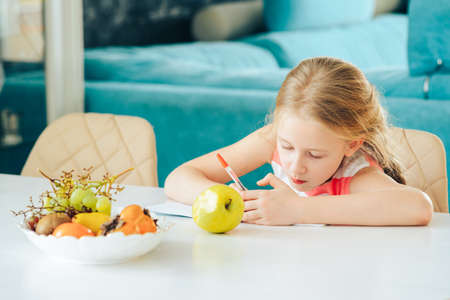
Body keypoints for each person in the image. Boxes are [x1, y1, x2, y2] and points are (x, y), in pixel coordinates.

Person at [164, 57, 433, 226]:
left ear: (350, 145)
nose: (295, 166)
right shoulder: (270, 140)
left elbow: (417, 207)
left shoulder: (355, 173)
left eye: (315, 155)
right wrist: (229, 198)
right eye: (288, 147)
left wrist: (298, 210)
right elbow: (178, 178)